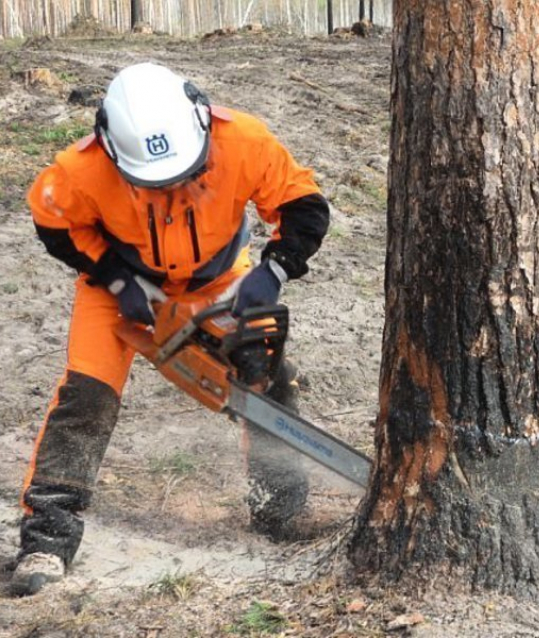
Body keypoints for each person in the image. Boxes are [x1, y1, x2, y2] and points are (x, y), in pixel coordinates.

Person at [10, 62, 330, 596]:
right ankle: (47, 538)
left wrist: (272, 271)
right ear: (111, 148)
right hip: (124, 291)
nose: (173, 187)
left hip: (221, 278)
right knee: (86, 397)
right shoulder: (78, 171)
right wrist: (114, 279)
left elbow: (304, 206)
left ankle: (280, 513)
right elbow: (54, 223)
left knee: (265, 380)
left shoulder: (244, 141)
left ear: (202, 120)